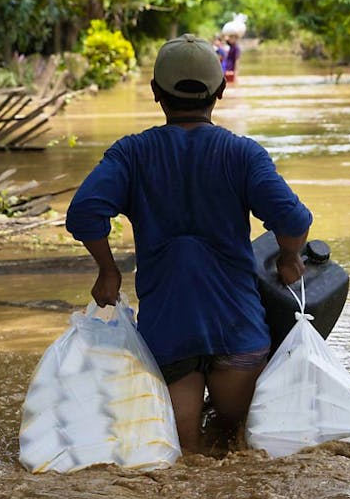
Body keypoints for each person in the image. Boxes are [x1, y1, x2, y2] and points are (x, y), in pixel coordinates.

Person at [65, 33, 312, 453]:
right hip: (238, 332)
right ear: (220, 90)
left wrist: (107, 270)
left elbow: (84, 212)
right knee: (242, 449)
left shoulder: (131, 155)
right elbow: (293, 221)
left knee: (183, 454)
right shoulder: (243, 154)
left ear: (156, 93)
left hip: (168, 335)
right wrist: (289, 258)